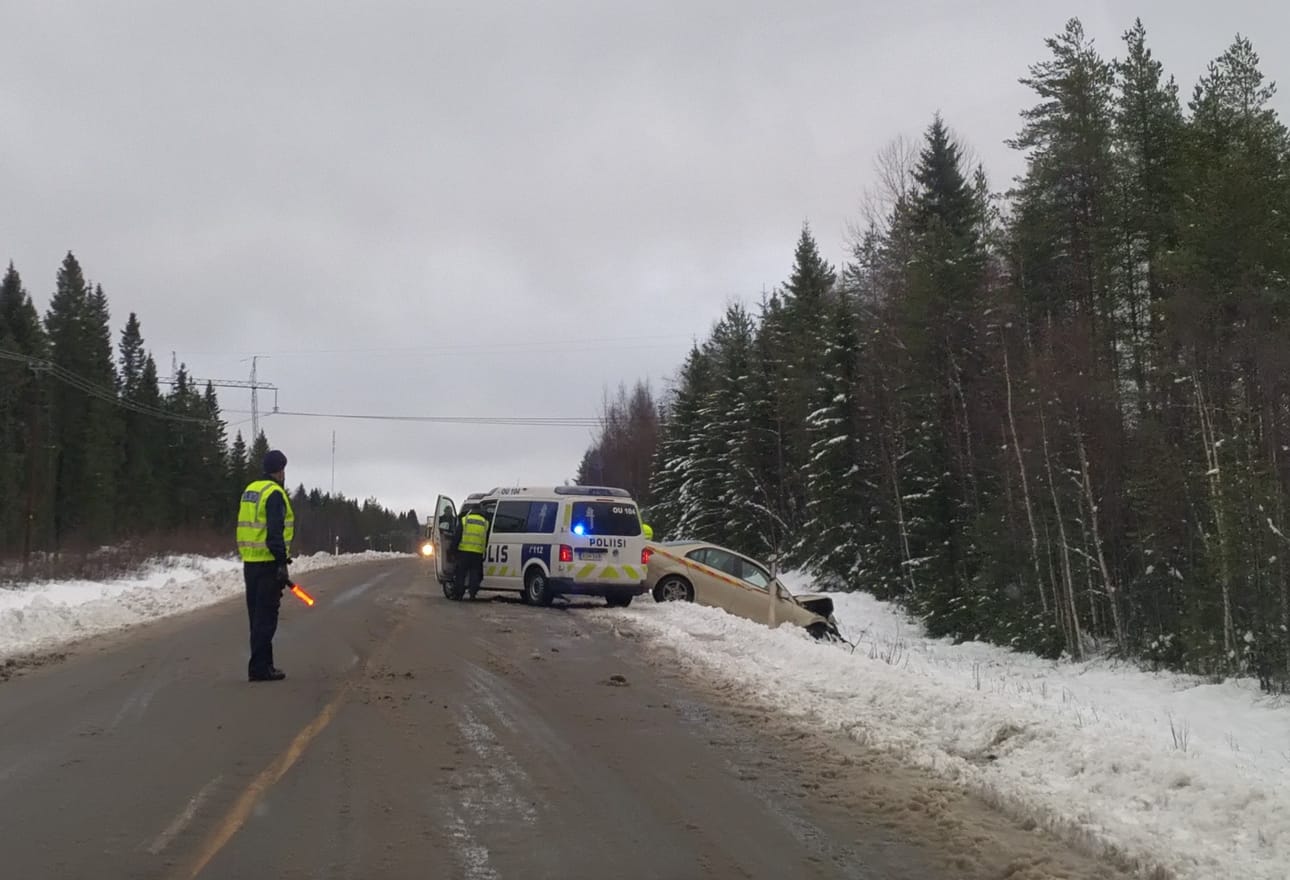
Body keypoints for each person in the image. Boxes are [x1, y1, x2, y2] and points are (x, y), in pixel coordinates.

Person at [236, 449, 295, 682]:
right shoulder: (274, 494)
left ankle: (263, 664)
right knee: (267, 617)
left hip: (250, 563)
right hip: (268, 564)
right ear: (280, 471)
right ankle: (260, 668)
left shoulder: (250, 490)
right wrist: (281, 563)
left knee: (256, 617)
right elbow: (274, 533)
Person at [456, 503, 489, 599]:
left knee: (461, 574)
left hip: (464, 551)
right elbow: (486, 538)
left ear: (471, 510)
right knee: (474, 573)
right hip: (478, 552)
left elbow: (458, 535)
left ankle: (459, 594)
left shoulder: (465, 520)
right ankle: (473, 594)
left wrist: (453, 548)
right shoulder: (485, 522)